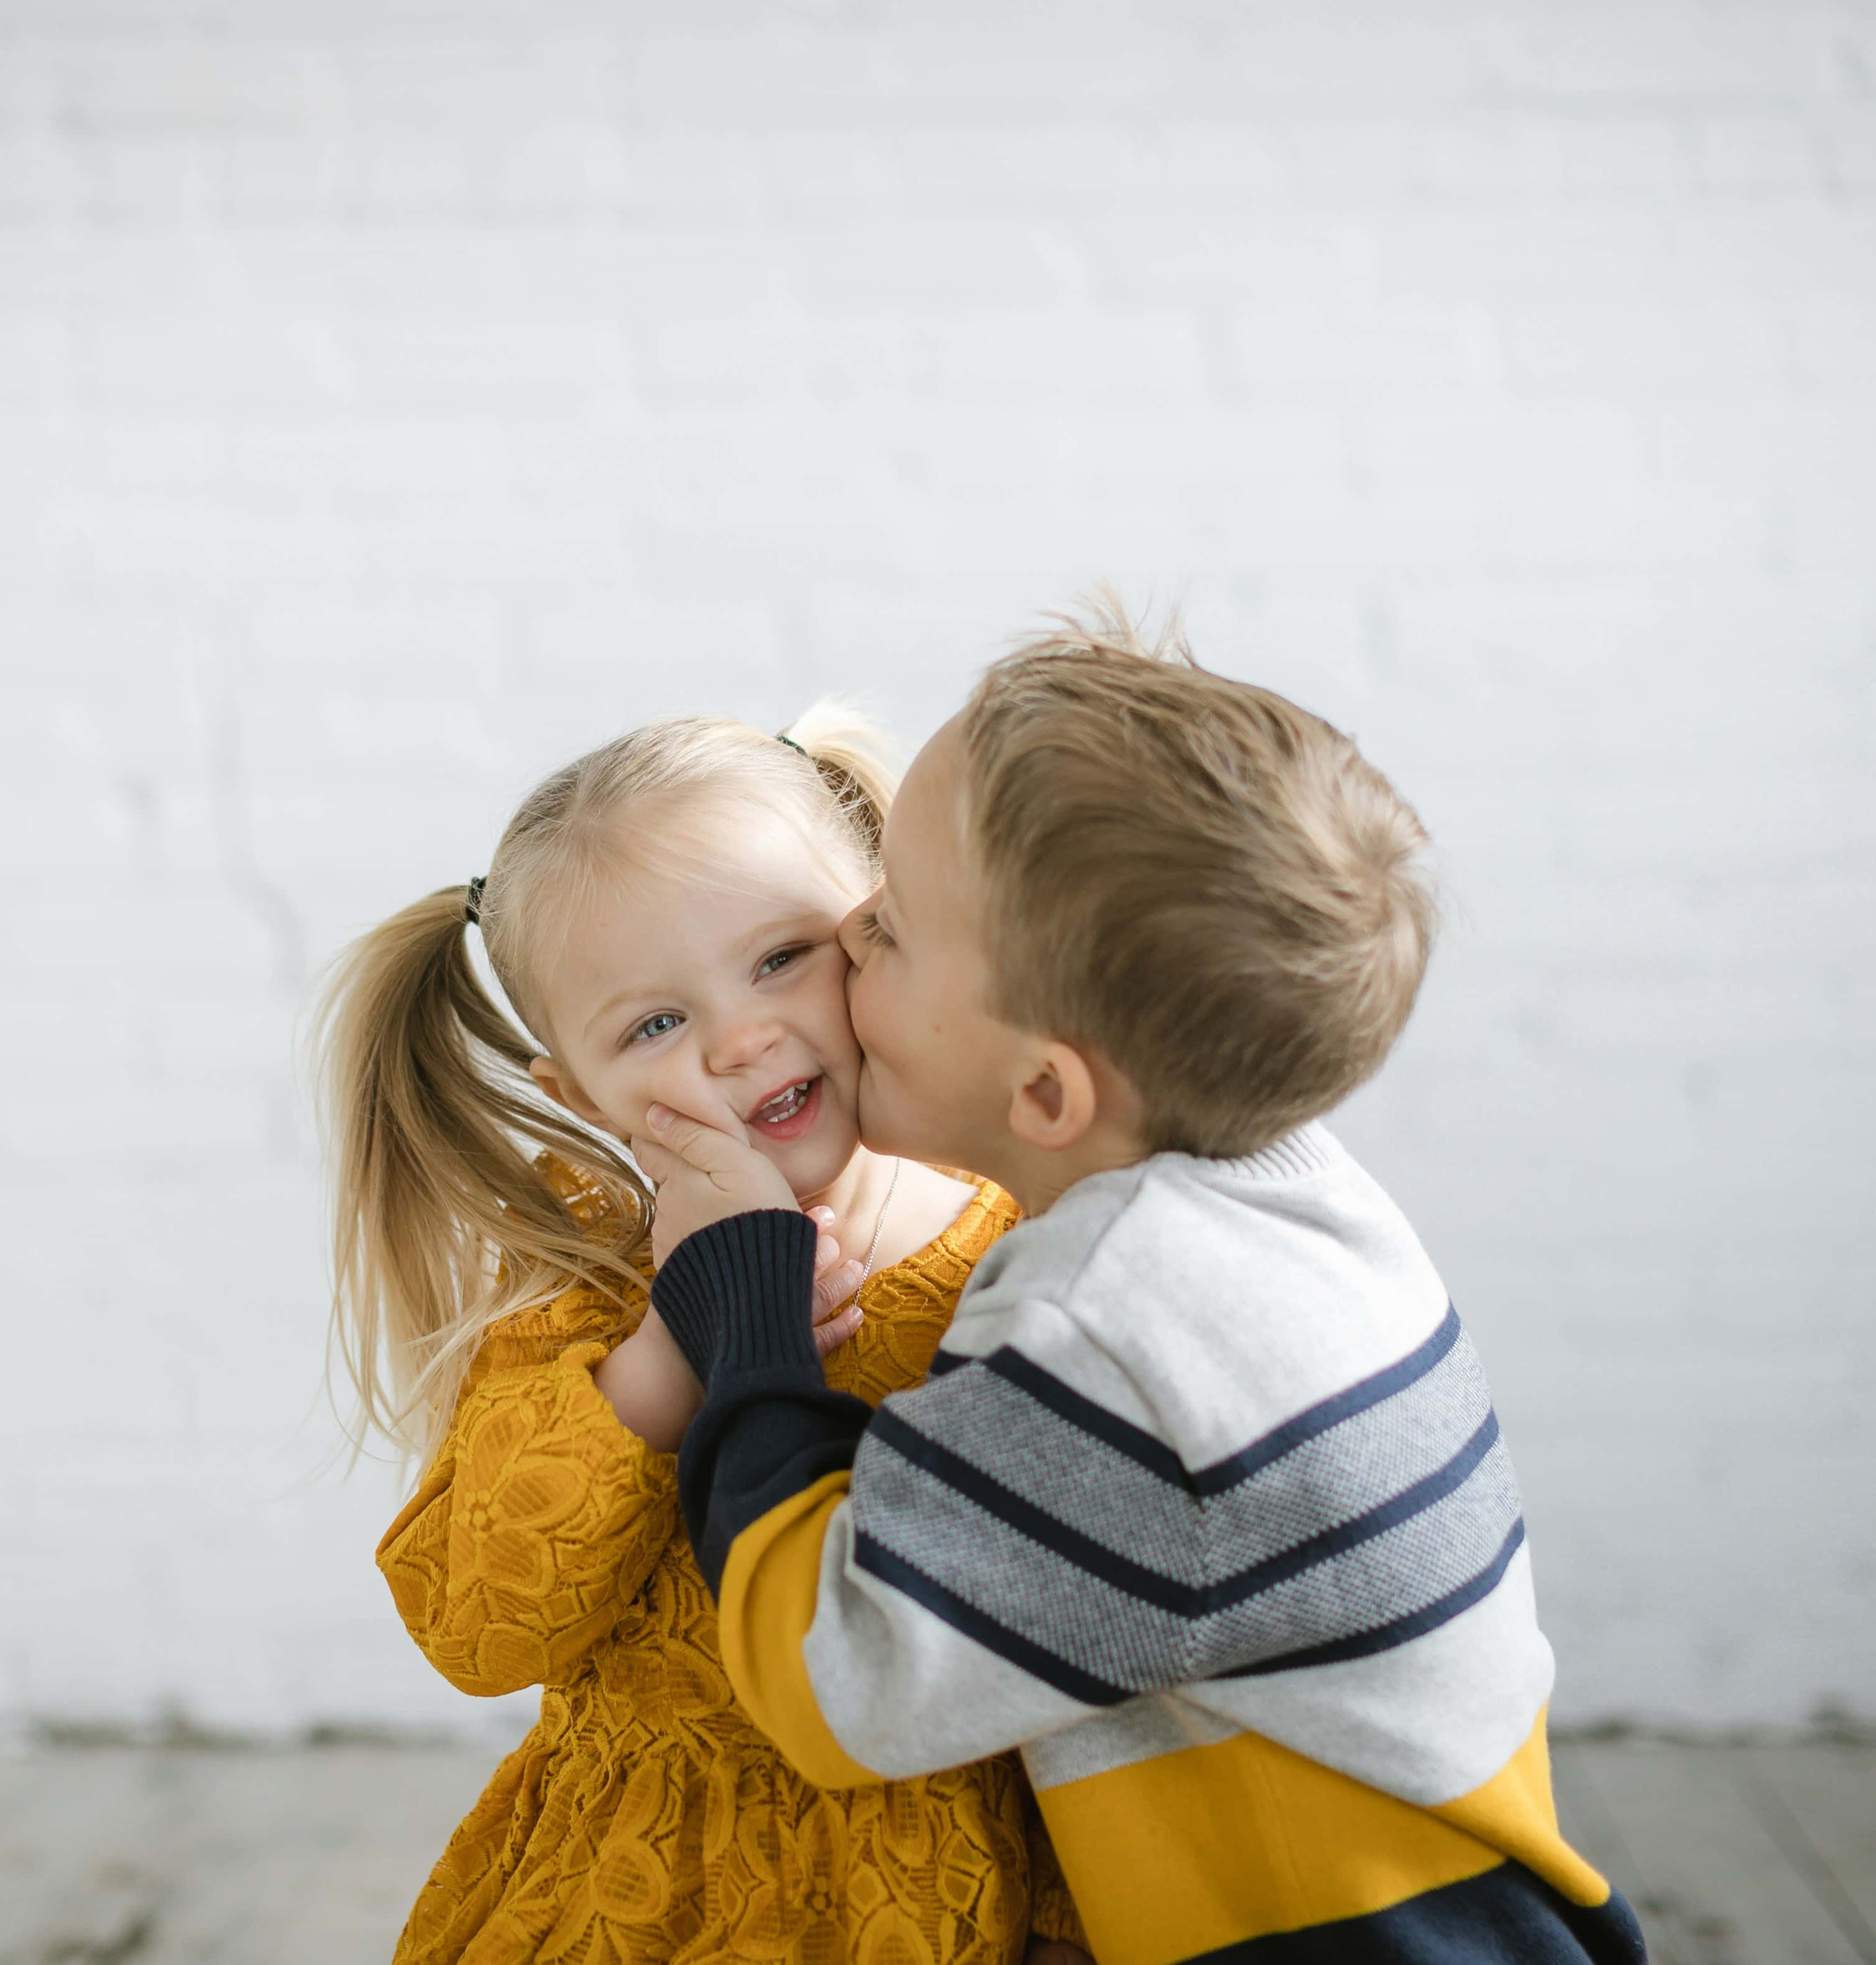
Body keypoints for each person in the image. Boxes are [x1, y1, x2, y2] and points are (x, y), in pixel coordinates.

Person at [631, 604, 1649, 1964]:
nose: (845, 930)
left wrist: (741, 1305)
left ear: (1043, 1091)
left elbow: (840, 1681)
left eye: (897, 926)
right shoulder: (1291, 1201)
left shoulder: (1107, 1328)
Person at [316, 705, 1090, 1963]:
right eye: (652, 1025)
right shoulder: (582, 1274)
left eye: (783, 955)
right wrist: (670, 1357)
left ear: (884, 926)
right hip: (652, 1891)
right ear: (580, 1094)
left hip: (962, 1881)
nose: (739, 1040)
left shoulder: (1020, 1235)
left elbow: (1094, 1610)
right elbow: (475, 1626)